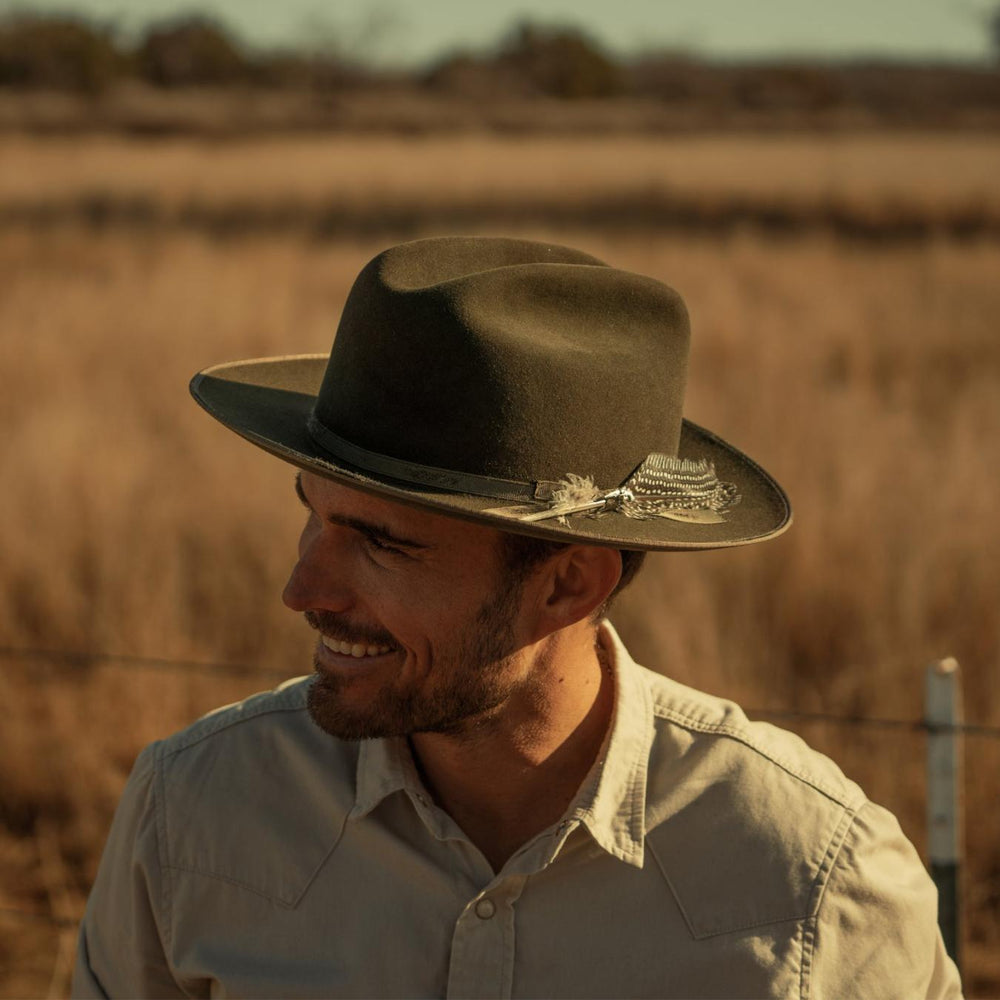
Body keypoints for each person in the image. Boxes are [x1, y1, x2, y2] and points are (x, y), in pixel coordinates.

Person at [73, 236, 962, 998]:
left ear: (570, 584)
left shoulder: (809, 877)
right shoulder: (195, 810)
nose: (302, 589)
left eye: (381, 543)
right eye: (311, 513)